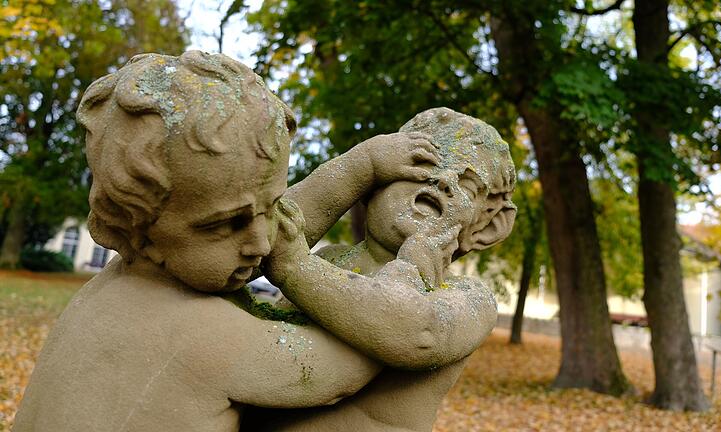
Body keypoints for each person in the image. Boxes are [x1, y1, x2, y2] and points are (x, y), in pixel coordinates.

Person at [12, 52, 499, 432]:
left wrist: (357, 170)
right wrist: (400, 269)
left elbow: (278, 236)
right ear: (145, 235)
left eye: (271, 207)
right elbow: (379, 343)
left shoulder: (107, 295)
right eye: (224, 225)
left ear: (490, 226)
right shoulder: (203, 331)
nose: (261, 240)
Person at [250, 107, 517, 431]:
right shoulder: (329, 259)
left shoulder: (469, 298)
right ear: (372, 186)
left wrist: (293, 266)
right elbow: (255, 240)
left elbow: (415, 332)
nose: (444, 181)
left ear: (486, 227)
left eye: (468, 187)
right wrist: (360, 166)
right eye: (422, 162)